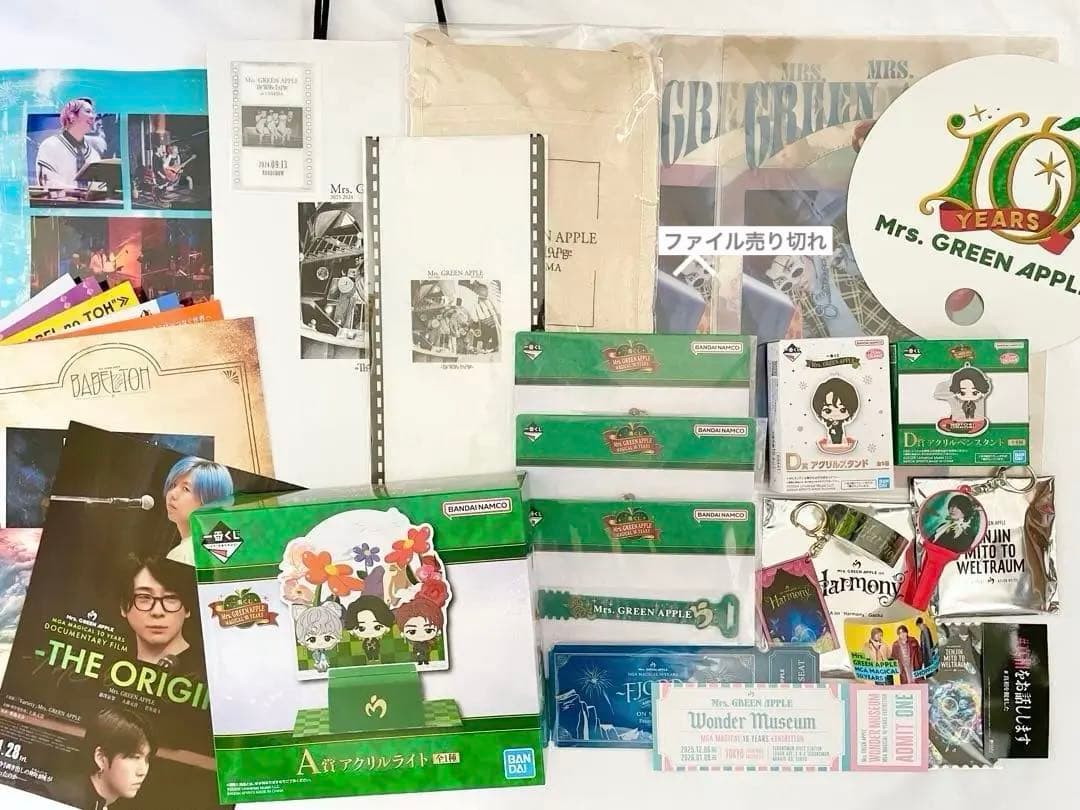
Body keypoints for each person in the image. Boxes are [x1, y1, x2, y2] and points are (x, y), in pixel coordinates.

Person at [119, 554, 197, 672]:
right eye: (144, 597)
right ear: (123, 608)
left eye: (171, 597)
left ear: (187, 609)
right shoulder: (115, 668)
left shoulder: (209, 669)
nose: (157, 612)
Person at [69, 708, 154, 809]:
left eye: (147, 759)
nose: (143, 772)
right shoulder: (69, 799)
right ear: (101, 758)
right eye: (134, 757)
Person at [162, 456, 234, 566]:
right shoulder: (228, 546)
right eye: (173, 485)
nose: (172, 494)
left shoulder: (183, 555)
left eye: (186, 489)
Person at [35, 97, 104, 191]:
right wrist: (80, 192)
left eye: (93, 112)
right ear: (72, 116)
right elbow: (48, 183)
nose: (93, 116)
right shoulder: (50, 146)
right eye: (88, 111)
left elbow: (100, 187)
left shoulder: (94, 155)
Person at [344, 596, 395, 663]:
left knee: (376, 654)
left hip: (375, 650)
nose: (369, 632)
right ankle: (370, 658)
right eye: (361, 628)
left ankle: (375, 658)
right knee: (369, 654)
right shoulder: (365, 641)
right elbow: (364, 647)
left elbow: (378, 646)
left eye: (377, 627)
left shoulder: (376, 641)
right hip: (368, 650)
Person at [394, 597, 444, 666]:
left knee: (425, 657)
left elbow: (428, 648)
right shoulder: (416, 644)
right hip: (419, 654)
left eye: (428, 630)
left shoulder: (428, 643)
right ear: (403, 633)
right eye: (412, 631)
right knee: (419, 657)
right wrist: (416, 652)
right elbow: (415, 649)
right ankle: (420, 661)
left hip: (425, 653)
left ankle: (425, 661)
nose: (421, 635)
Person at [812, 377, 860, 447]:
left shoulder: (840, 424)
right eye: (828, 411)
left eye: (842, 410)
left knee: (839, 436)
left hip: (840, 434)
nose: (835, 415)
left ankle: (839, 444)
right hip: (831, 435)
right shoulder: (830, 424)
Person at [473, 284, 500, 353]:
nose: (486, 292)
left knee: (493, 333)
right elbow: (477, 313)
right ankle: (486, 347)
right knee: (486, 334)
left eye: (485, 290)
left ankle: (494, 346)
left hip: (491, 319)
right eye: (483, 290)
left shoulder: (489, 300)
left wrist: (496, 315)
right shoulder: (477, 302)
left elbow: (494, 309)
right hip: (484, 320)